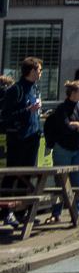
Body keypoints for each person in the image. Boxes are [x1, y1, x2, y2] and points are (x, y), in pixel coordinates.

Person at [1, 58, 45, 221]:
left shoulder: (33, 89)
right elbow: (5, 116)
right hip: (18, 138)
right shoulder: (15, 90)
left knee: (26, 176)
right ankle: (4, 211)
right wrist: (28, 110)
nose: (41, 73)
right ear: (32, 71)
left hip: (32, 138)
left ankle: (20, 212)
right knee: (12, 174)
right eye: (39, 70)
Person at [45, 80, 79, 223]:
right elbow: (64, 127)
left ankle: (76, 213)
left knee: (77, 182)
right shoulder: (62, 109)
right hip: (63, 148)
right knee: (60, 181)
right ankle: (56, 213)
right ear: (73, 92)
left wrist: (78, 125)